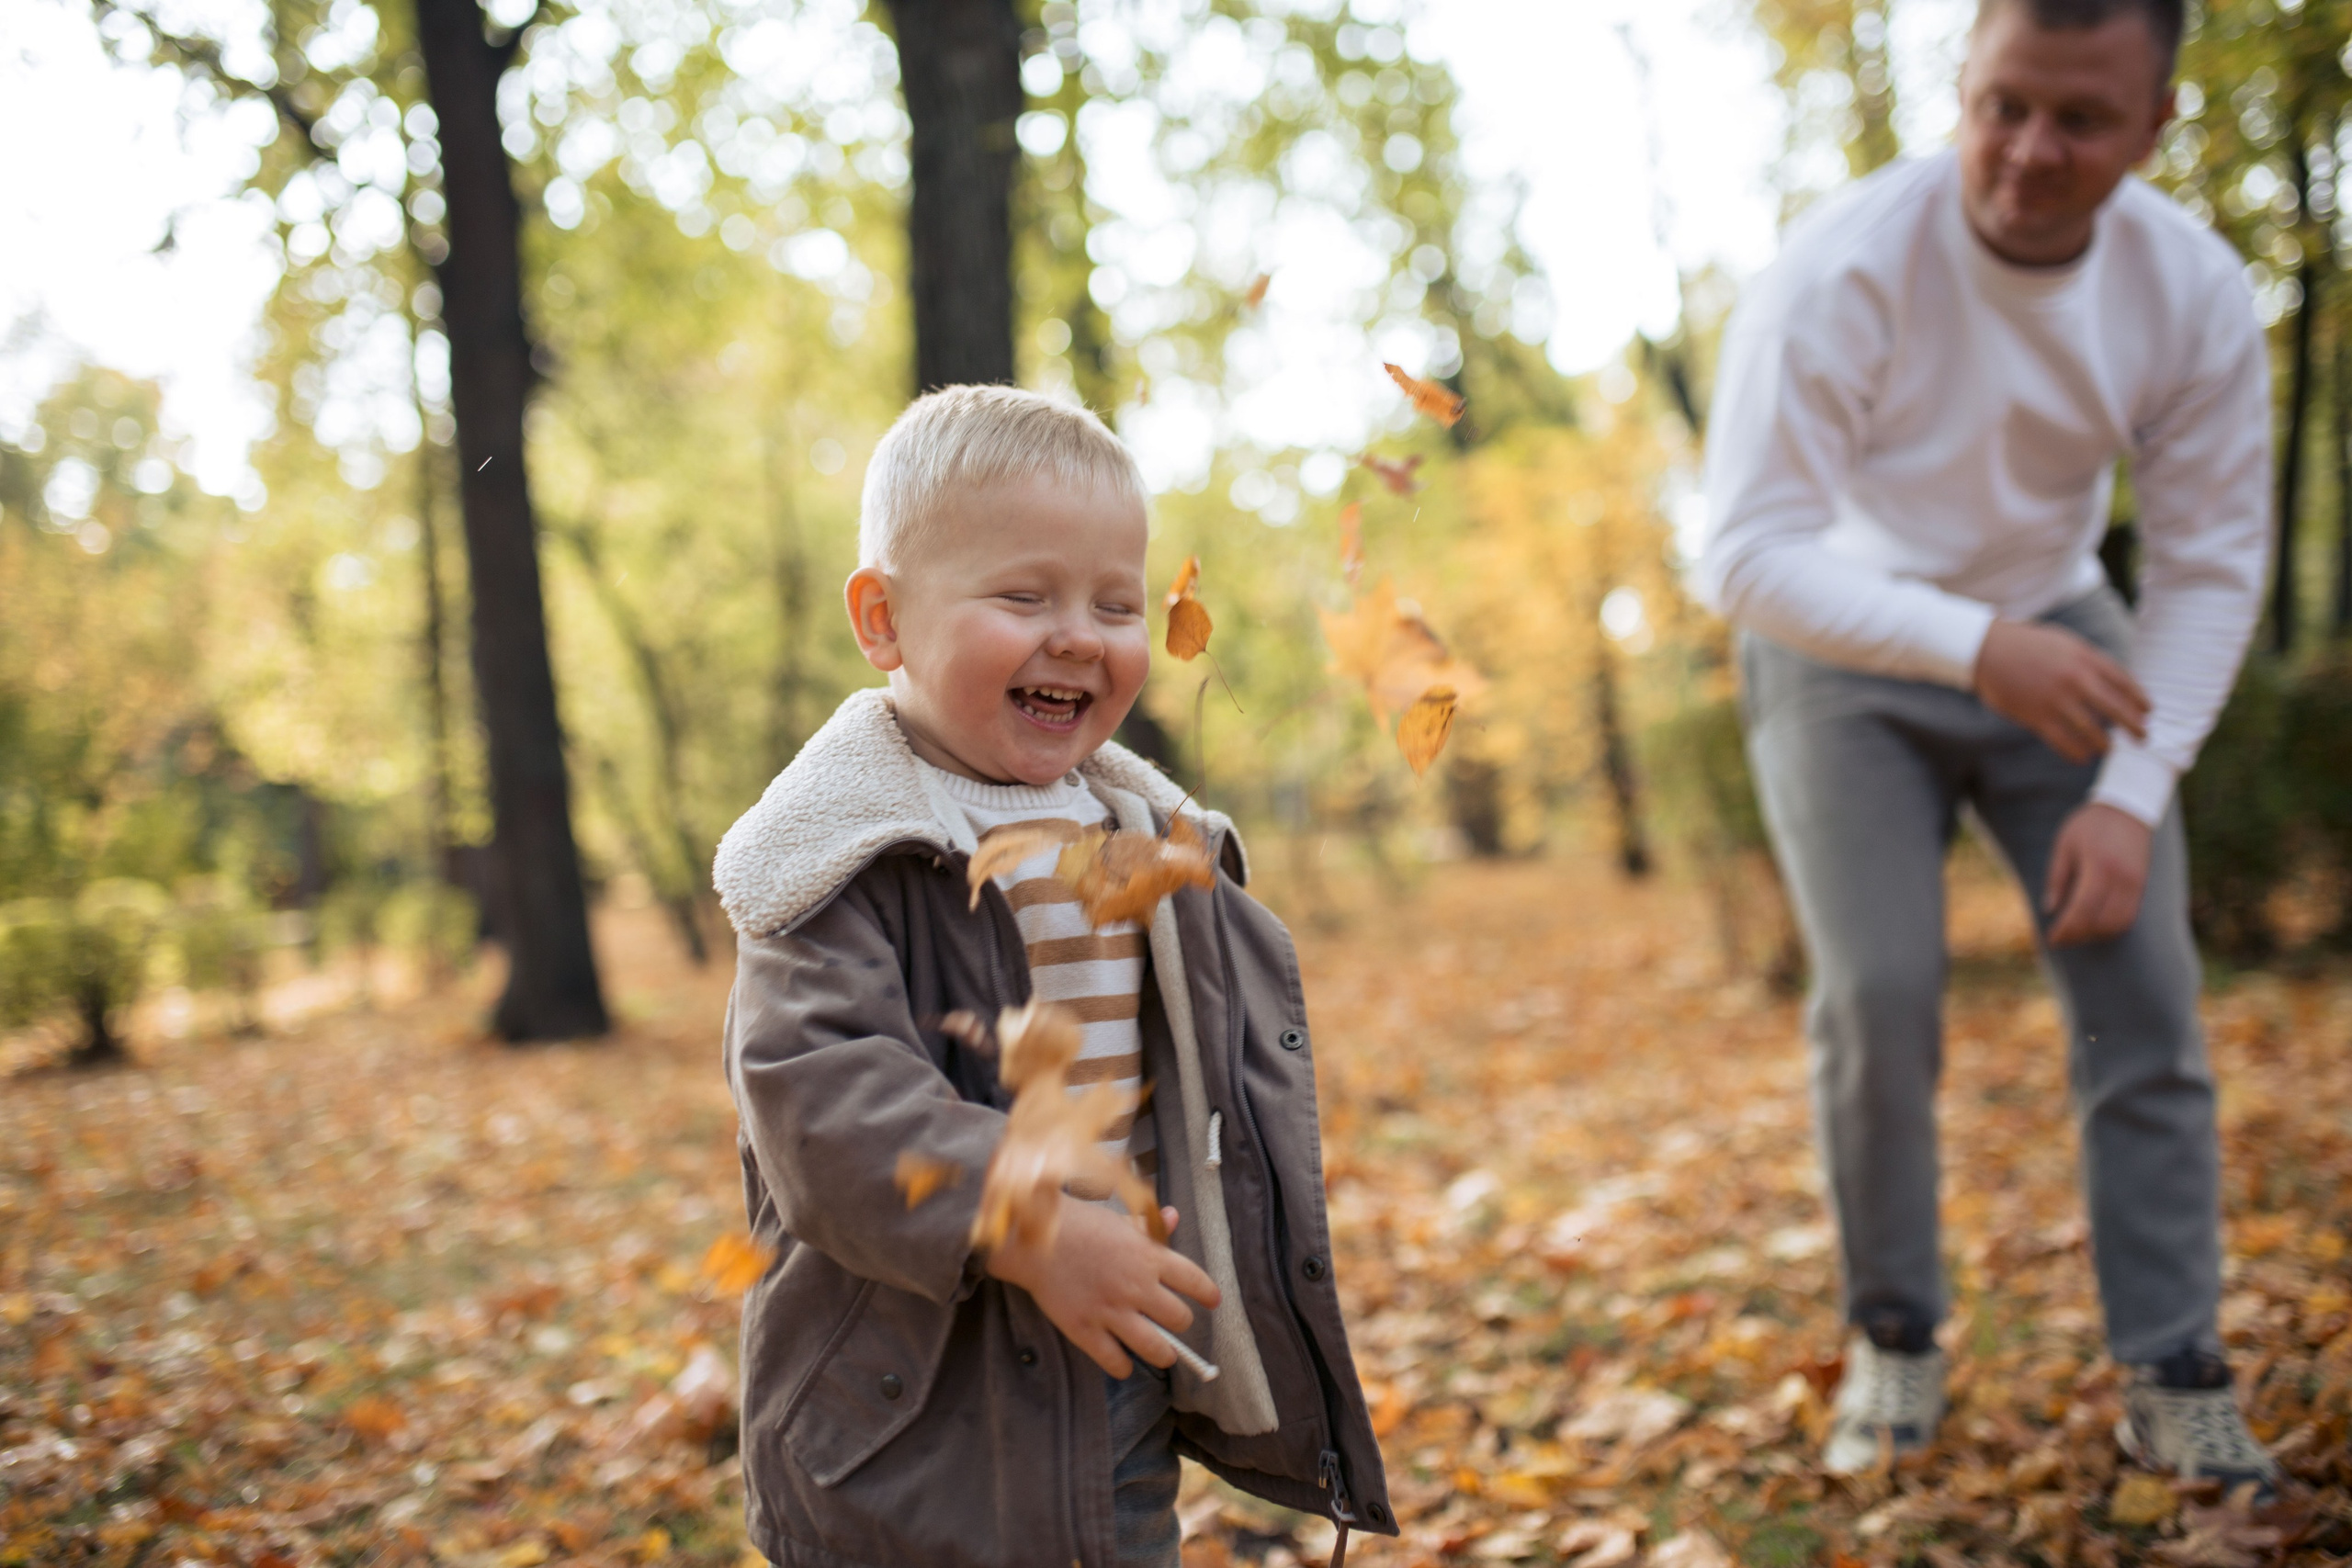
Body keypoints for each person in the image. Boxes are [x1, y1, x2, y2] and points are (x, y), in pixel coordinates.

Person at [1697, 0, 2278, 1486]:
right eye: (2003, 104)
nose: (2028, 151)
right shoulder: (1838, 270)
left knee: (2141, 988)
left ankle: (2174, 1365)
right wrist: (1973, 649)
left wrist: (2135, 795)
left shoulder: (2192, 291)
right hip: (1841, 635)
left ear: (2155, 129)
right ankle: (1894, 1330)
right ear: (1963, 82)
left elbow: (2212, 565)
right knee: (1882, 993)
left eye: (2080, 120)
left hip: (2062, 627)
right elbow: (1749, 558)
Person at [710, 386, 1393, 1566]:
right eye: (1023, 596)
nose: (1078, 633)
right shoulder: (845, 851)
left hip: (1107, 1372)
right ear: (883, 620)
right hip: (905, 1402)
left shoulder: (1140, 836)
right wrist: (1025, 1223)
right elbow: (819, 1100)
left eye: (1115, 604)